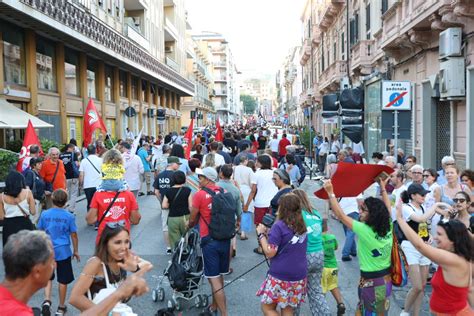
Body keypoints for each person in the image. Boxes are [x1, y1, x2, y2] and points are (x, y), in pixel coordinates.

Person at [323, 177, 393, 315]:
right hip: (385, 280)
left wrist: (331, 193)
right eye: (360, 208)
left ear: (373, 215)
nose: (359, 212)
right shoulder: (388, 225)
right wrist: (383, 187)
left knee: (369, 312)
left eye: (364, 210)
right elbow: (388, 209)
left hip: (371, 282)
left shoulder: (365, 230)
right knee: (379, 312)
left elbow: (341, 216)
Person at [396, 202, 474, 315]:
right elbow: (470, 290)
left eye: (440, 234)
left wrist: (400, 219)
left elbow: (420, 246)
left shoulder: (453, 260)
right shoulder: (456, 256)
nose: (436, 237)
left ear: (452, 240)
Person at [69, 224, 152, 312]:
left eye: (126, 242)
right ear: (106, 243)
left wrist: (134, 268)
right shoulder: (96, 263)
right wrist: (108, 314)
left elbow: (148, 265)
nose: (123, 247)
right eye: (117, 242)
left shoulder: (124, 258)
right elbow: (75, 298)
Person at [255, 193, 308, 316]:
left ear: (282, 208)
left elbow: (270, 252)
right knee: (287, 308)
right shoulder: (301, 224)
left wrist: (261, 234)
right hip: (299, 274)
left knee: (267, 308)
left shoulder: (279, 226)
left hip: (281, 275)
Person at [189, 167, 231, 316]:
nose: (198, 180)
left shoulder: (199, 195)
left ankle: (224, 313)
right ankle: (214, 305)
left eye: (200, 177)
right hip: (225, 239)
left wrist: (188, 227)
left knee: (214, 279)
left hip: (209, 240)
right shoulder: (225, 192)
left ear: (208, 179)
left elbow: (193, 218)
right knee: (219, 276)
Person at [37, 189, 79, 316]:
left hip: (48, 250)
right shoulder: (69, 216)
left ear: (53, 200)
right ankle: (61, 307)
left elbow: (40, 231)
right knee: (63, 280)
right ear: (65, 202)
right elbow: (74, 235)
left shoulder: (45, 214)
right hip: (63, 251)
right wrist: (76, 250)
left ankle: (47, 301)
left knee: (48, 277)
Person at [399, 184, 439, 316]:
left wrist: (430, 236)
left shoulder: (422, 207)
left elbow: (423, 226)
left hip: (423, 246)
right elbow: (420, 219)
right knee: (416, 286)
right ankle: (405, 311)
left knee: (422, 286)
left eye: (425, 194)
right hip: (410, 247)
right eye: (422, 194)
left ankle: (416, 314)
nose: (424, 196)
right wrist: (435, 206)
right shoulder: (406, 208)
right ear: (413, 196)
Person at [293, 189, 330, 316]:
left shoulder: (298, 215)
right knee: (315, 291)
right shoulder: (316, 214)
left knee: (296, 290)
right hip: (319, 254)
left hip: (305, 255)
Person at [87, 180, 141, 244]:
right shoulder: (129, 195)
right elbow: (135, 220)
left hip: (104, 239)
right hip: (122, 240)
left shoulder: (98, 195)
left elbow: (90, 220)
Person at [244, 155, 278, 255]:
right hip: (273, 203)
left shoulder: (257, 173)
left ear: (261, 163)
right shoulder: (274, 172)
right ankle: (270, 245)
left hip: (260, 203)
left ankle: (261, 246)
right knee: (271, 225)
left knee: (259, 225)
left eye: (257, 161)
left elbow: (253, 191)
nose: (256, 163)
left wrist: (247, 205)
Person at [0, 171, 36, 246]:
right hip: (25, 224)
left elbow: (1, 216)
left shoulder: (1, 196)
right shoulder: (27, 192)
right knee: (27, 251)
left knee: (10, 252)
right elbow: (33, 212)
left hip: (9, 226)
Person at [153, 156, 181, 254]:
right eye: (178, 164)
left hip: (165, 205)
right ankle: (179, 246)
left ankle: (168, 247)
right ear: (172, 164)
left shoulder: (160, 175)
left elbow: (156, 191)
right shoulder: (176, 175)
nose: (178, 166)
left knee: (165, 226)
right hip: (177, 204)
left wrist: (161, 201)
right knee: (178, 225)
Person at [321, 219, 346, 315]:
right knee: (333, 285)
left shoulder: (318, 239)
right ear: (327, 228)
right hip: (333, 266)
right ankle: (340, 304)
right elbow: (336, 247)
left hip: (323, 267)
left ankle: (322, 309)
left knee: (321, 290)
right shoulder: (332, 237)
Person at [162, 171, 192, 248]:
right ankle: (186, 254)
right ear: (184, 179)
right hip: (185, 217)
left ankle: (176, 256)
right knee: (187, 238)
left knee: (174, 240)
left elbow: (164, 205)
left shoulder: (168, 191)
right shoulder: (187, 190)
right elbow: (190, 206)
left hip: (173, 217)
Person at [233, 155, 254, 240]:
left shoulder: (235, 168)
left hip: (237, 188)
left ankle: (236, 227)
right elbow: (252, 182)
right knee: (246, 210)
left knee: (237, 209)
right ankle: (243, 232)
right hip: (246, 189)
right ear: (246, 160)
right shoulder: (249, 170)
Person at [79, 145, 103, 212]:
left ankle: (90, 218)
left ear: (87, 152)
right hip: (99, 185)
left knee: (90, 203)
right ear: (95, 151)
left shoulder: (83, 161)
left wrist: (80, 185)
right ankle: (99, 218)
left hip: (88, 185)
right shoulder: (101, 160)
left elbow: (81, 174)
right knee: (99, 202)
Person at [59, 144, 80, 214]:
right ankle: (71, 209)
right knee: (73, 194)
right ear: (69, 148)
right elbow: (77, 164)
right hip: (73, 177)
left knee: (66, 192)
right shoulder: (73, 155)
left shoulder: (60, 155)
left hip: (64, 177)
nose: (74, 150)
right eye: (73, 148)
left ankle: (64, 207)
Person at [24, 157, 46, 224]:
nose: (41, 164)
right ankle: (31, 234)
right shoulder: (30, 173)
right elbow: (27, 187)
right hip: (34, 200)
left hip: (39, 200)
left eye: (41, 163)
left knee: (36, 220)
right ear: (34, 165)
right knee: (32, 220)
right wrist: (31, 200)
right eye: (39, 163)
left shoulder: (38, 174)